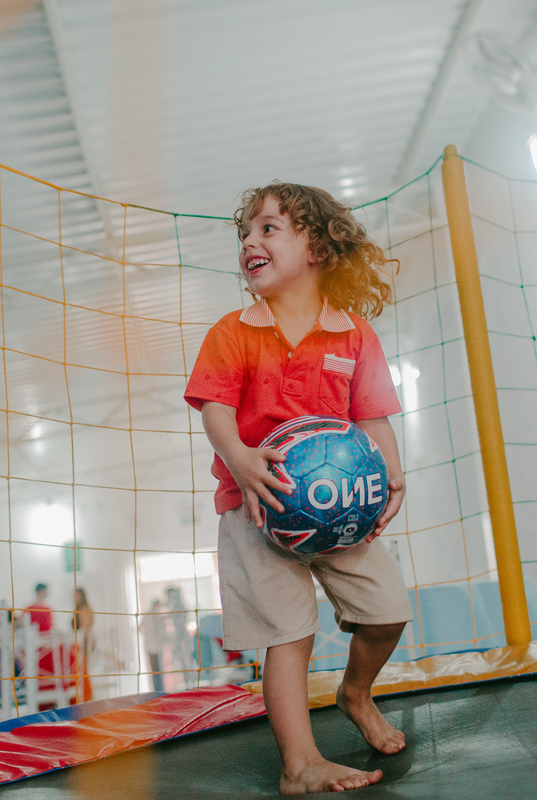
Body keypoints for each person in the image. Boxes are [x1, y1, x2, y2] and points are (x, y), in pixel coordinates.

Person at [184, 182, 410, 794]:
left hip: (339, 513)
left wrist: (391, 474)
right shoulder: (234, 331)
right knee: (289, 633)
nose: (250, 241)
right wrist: (239, 459)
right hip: (257, 507)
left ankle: (355, 693)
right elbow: (215, 409)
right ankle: (299, 764)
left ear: (317, 245)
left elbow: (373, 416)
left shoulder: (353, 334)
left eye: (268, 228)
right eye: (245, 234)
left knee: (389, 611)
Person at [73, 587, 94, 702]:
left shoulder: (84, 609)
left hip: (84, 641)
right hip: (80, 641)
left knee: (84, 669)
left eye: (76, 595)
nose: (74, 598)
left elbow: (84, 629)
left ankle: (87, 695)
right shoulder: (78, 608)